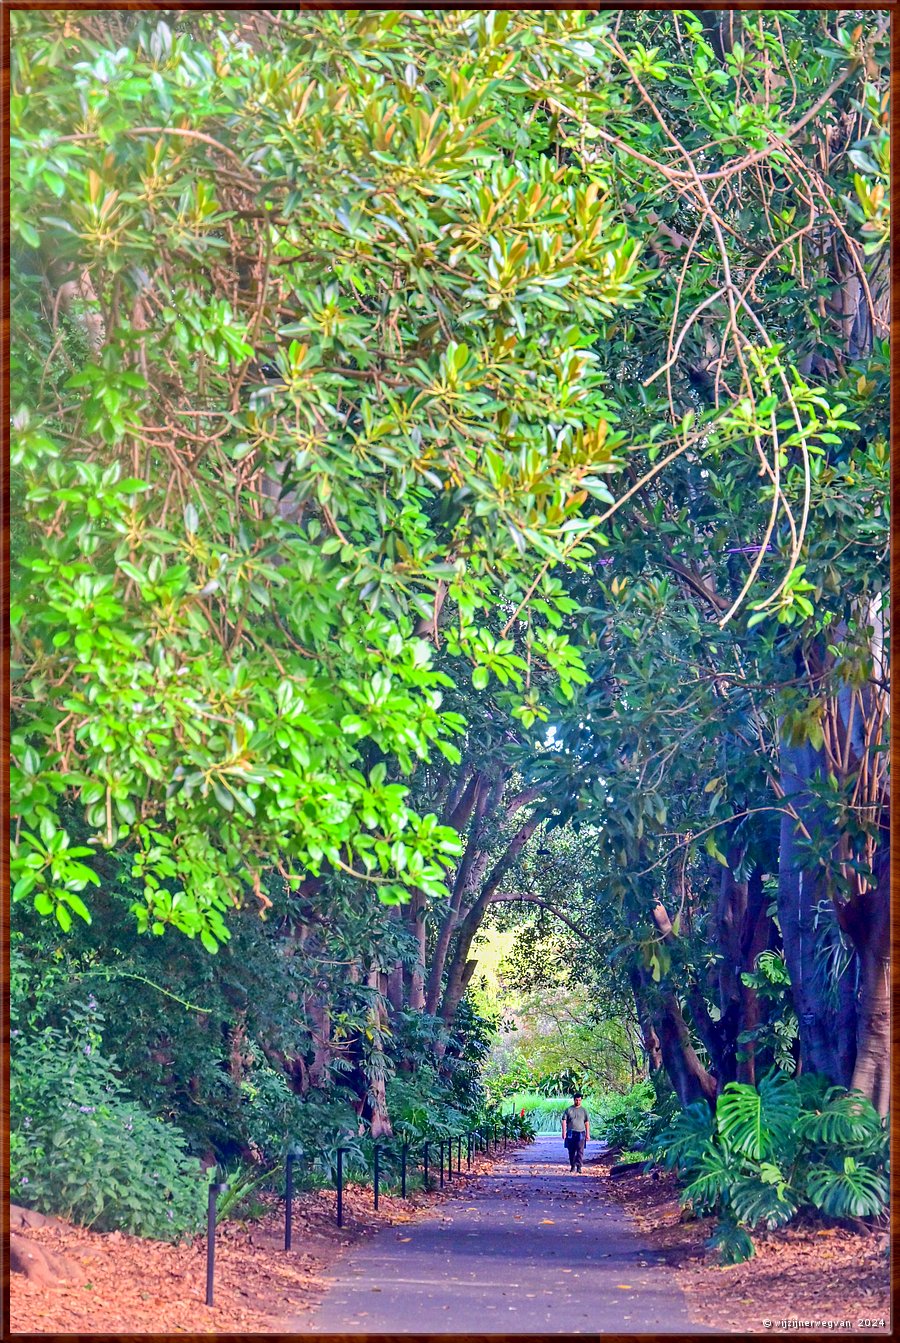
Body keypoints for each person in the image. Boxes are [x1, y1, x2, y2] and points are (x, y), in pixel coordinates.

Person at [561, 1093, 590, 1172]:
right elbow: (564, 1120)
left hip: (581, 1132)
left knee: (580, 1150)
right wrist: (563, 1132)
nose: (578, 1101)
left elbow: (587, 1122)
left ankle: (579, 1166)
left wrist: (588, 1134)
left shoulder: (584, 1110)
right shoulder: (569, 1109)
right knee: (571, 1150)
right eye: (576, 1100)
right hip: (571, 1132)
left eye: (579, 1100)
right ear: (574, 1100)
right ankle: (572, 1165)